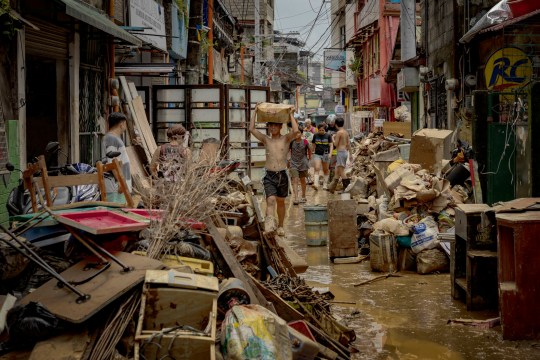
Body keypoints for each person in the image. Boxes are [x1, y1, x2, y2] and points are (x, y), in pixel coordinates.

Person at [250, 105, 300, 237]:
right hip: (269, 175)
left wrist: (290, 114)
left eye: (274, 126)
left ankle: (281, 226)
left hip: (282, 174)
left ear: (280, 127)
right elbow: (251, 129)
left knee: (281, 202)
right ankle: (270, 226)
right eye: (270, 126)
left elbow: (295, 130)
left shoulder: (286, 139)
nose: (272, 128)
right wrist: (254, 112)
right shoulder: (266, 139)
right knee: (270, 200)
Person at [102, 112, 131, 202]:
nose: (125, 127)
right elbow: (112, 163)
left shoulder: (113, 138)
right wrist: (120, 182)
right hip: (116, 186)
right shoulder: (111, 139)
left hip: (118, 185)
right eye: (125, 124)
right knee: (117, 212)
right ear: (121, 124)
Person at [328, 117, 352, 194]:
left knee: (341, 171)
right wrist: (350, 154)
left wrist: (332, 137)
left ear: (336, 124)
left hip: (340, 152)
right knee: (337, 171)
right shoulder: (345, 132)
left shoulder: (339, 133)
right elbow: (349, 144)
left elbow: (335, 144)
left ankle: (347, 188)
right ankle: (332, 188)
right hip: (345, 152)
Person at [289, 123, 311, 205]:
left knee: (302, 180)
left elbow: (309, 150)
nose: (296, 134)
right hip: (294, 163)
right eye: (295, 133)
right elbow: (288, 151)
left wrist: (309, 159)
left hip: (303, 163)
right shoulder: (291, 142)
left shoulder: (305, 141)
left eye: (298, 133)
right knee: (295, 179)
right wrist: (288, 160)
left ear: (301, 133)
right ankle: (296, 198)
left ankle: (303, 195)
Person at [311, 123, 333, 190]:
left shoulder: (328, 135)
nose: (321, 131)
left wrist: (330, 154)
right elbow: (313, 144)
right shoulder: (315, 135)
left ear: (325, 130)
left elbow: (331, 145)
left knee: (325, 169)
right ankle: (316, 184)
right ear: (318, 129)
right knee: (317, 168)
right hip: (317, 154)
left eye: (322, 130)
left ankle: (325, 184)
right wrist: (312, 151)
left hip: (326, 154)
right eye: (320, 130)